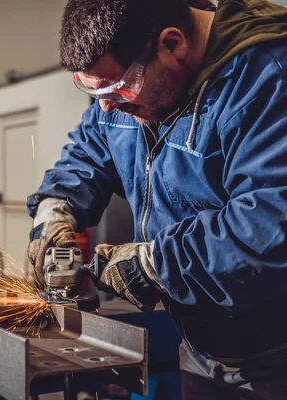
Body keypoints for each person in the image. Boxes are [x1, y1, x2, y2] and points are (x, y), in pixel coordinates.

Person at [26, 0, 287, 398]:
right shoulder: (125, 93)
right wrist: (53, 213)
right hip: (201, 347)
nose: (109, 106)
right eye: (93, 92)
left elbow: (268, 226)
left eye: (118, 90)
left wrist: (153, 264)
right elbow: (87, 154)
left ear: (173, 44)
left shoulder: (266, 80)